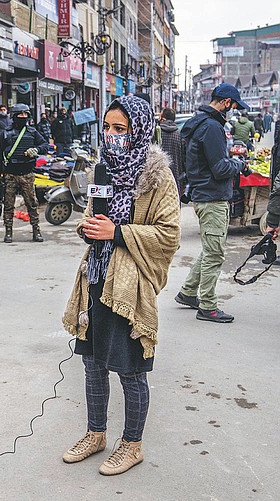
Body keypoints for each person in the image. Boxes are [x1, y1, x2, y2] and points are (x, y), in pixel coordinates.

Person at [62, 95, 180, 476]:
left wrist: (118, 232)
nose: (112, 136)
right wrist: (88, 228)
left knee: (130, 369)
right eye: (108, 128)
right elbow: (88, 217)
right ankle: (95, 434)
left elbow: (168, 234)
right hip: (96, 280)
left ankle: (132, 445)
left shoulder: (158, 179)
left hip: (129, 288)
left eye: (121, 129)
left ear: (139, 131)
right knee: (93, 363)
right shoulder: (103, 170)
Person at [175, 83, 248, 323]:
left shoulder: (199, 123)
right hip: (212, 197)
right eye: (234, 106)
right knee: (215, 254)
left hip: (204, 194)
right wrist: (239, 164)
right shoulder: (212, 127)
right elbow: (219, 168)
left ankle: (187, 293)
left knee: (210, 250)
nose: (234, 111)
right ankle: (207, 306)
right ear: (226, 102)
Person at [0, 103, 50, 243]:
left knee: (32, 204)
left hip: (27, 174)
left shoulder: (32, 132)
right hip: (10, 175)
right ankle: (8, 232)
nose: (23, 117)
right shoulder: (5, 133)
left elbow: (45, 145)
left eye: (25, 114)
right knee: (8, 205)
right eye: (20, 115)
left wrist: (36, 150)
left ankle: (36, 231)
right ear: (14, 116)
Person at [158, 107, 186, 198]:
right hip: (176, 178)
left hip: (159, 178)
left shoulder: (156, 134)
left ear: (163, 118)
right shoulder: (180, 135)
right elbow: (185, 159)